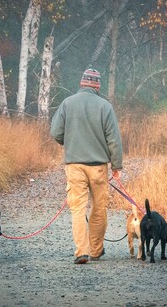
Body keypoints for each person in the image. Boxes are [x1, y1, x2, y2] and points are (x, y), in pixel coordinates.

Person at [50, 68, 123, 264]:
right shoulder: (105, 106)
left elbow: (56, 132)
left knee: (78, 209)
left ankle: (82, 252)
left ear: (82, 83)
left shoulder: (67, 103)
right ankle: (96, 250)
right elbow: (113, 139)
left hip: (74, 166)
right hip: (99, 167)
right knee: (99, 209)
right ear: (97, 86)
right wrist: (116, 166)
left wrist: (71, 142)